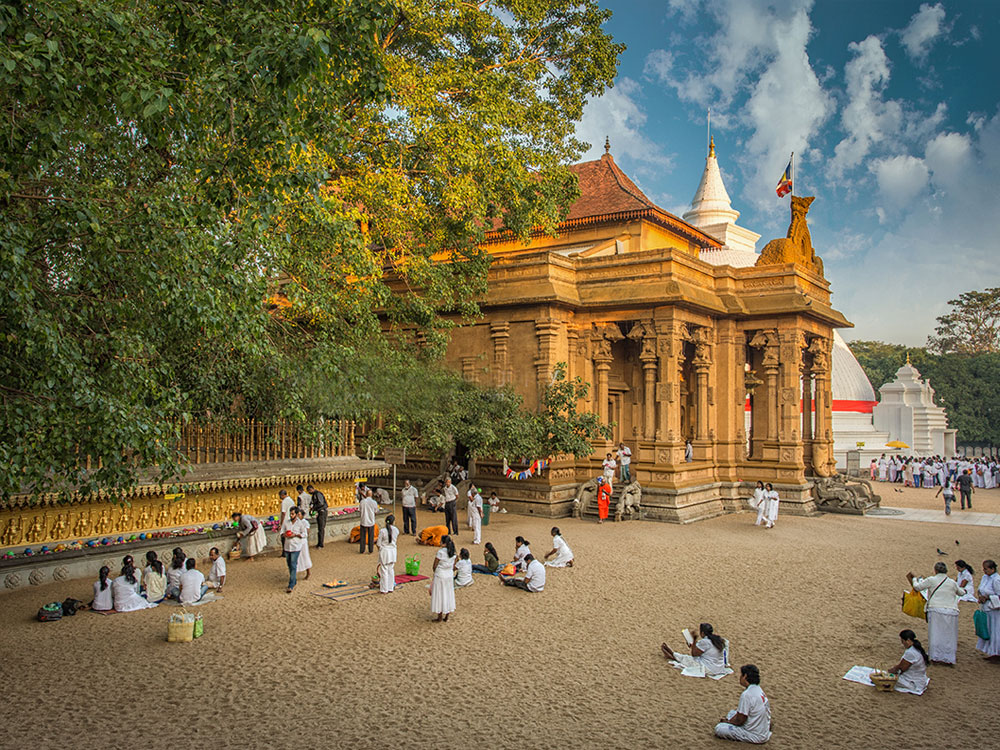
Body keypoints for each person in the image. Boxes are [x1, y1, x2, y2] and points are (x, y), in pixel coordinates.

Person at [907, 563, 966, 664]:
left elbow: (917, 587)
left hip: (936, 609)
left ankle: (935, 656)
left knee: (935, 633)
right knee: (949, 634)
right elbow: (961, 592)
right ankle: (948, 657)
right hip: (951, 610)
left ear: (936, 570)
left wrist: (914, 579)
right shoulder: (951, 582)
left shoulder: (932, 580)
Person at [714, 664, 771, 744]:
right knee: (732, 713)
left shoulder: (747, 695)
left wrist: (727, 722)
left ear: (745, 676)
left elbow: (740, 720)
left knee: (719, 728)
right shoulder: (758, 689)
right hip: (761, 729)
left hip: (754, 735)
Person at [661, 623, 729, 678]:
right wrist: (693, 645)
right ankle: (673, 654)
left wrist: (694, 640)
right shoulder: (718, 640)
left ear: (702, 633)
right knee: (687, 658)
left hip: (709, 668)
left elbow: (694, 654)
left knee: (686, 658)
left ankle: (672, 655)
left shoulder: (705, 642)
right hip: (719, 667)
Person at [891, 629, 930, 695]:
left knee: (890, 679)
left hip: (913, 683)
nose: (902, 644)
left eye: (902, 641)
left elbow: (902, 668)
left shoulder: (911, 653)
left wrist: (891, 671)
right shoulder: (917, 649)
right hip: (920, 679)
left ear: (908, 641)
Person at [975, 559, 1000, 660]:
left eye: (986, 569)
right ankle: (991, 651)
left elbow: (999, 595)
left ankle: (997, 652)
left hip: (994, 609)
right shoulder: (985, 577)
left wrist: (988, 598)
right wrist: (980, 597)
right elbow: (980, 589)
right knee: (988, 629)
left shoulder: (997, 580)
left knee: (995, 630)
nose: (984, 571)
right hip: (985, 608)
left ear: (992, 569)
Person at [430, 535, 457, 622]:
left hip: (440, 575)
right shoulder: (453, 553)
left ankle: (440, 616)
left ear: (443, 543)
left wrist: (435, 572)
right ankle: (447, 616)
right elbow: (454, 565)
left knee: (440, 595)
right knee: (448, 594)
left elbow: (434, 565)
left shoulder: (440, 552)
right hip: (449, 575)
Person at [281, 506, 308, 593]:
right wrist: (286, 535)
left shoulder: (300, 524)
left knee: (293, 564)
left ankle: (291, 584)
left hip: (296, 546)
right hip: (287, 546)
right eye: (290, 513)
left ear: (296, 514)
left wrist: (295, 535)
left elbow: (304, 534)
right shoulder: (286, 523)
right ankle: (294, 579)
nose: (291, 515)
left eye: (293, 514)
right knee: (289, 564)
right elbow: (281, 533)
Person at [376, 514, 398, 594]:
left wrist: (380, 551)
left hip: (385, 551)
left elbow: (378, 544)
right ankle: (390, 587)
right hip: (393, 551)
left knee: (384, 570)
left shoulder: (382, 531)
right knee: (391, 569)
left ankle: (384, 589)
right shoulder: (396, 530)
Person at [294, 507, 312, 580]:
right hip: (295, 542)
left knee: (305, 556)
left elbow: (307, 532)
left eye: (299, 515)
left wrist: (300, 534)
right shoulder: (294, 522)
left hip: (302, 542)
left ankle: (308, 571)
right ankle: (294, 574)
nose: (298, 516)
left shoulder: (305, 522)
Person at [358, 488, 378, 554]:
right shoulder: (374, 502)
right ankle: (370, 549)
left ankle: (362, 549)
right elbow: (376, 511)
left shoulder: (362, 502)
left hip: (364, 519)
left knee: (363, 536)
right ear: (371, 495)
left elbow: (360, 510)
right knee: (370, 536)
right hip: (371, 520)